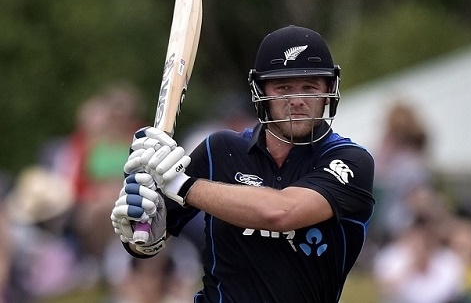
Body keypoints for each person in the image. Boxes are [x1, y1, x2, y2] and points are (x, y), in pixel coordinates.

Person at [111, 25, 375, 302]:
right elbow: (152, 239)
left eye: (309, 87)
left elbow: (282, 212)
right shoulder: (220, 150)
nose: (296, 100)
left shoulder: (349, 160)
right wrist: (142, 237)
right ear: (260, 90)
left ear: (328, 90)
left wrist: (181, 184)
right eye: (283, 88)